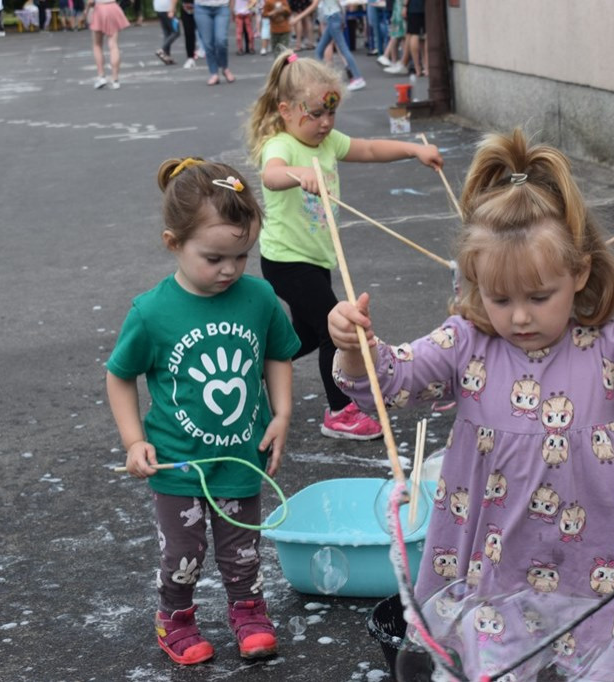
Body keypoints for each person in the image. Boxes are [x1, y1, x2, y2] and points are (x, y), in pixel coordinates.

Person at [328, 129, 614, 680]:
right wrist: (354, 350)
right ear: (476, 283)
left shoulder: (609, 349)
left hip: (596, 557)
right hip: (493, 562)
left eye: (539, 297)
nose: (519, 317)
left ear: (580, 274)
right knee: (499, 665)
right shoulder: (464, 343)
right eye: (500, 298)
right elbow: (391, 380)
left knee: (603, 663)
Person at [106, 158, 300, 665]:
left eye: (242, 255)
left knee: (243, 550)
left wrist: (281, 414)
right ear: (174, 243)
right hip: (177, 462)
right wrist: (133, 441)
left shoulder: (258, 297)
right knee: (183, 554)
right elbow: (119, 375)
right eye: (214, 257)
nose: (231, 269)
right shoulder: (151, 312)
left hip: (239, 457)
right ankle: (175, 617)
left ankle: (248, 610)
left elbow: (279, 353)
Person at [245, 50, 442, 440]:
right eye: (315, 114)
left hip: (316, 257)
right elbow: (270, 176)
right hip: (287, 259)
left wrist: (413, 151)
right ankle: (340, 411)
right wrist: (297, 173)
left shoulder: (328, 142)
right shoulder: (281, 145)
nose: (325, 123)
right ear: (285, 110)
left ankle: (256, 368)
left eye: (330, 114)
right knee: (332, 329)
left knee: (301, 333)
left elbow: (368, 149)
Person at [290, 0, 365, 91]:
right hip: (333, 18)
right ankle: (321, 79)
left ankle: (357, 78)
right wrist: (342, 18)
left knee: (342, 49)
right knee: (320, 50)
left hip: (332, 18)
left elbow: (314, 5)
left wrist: (297, 18)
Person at [85, 0, 129, 89]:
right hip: (113, 7)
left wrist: (86, 10)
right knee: (113, 45)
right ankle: (115, 80)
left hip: (99, 9)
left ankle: (101, 76)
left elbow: (90, 1)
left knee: (97, 45)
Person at [194, 0, 234, 85]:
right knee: (207, 43)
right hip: (201, 8)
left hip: (222, 6)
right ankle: (214, 73)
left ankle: (224, 67)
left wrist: (232, 8)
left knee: (221, 40)